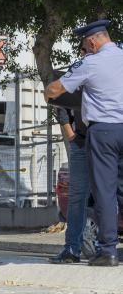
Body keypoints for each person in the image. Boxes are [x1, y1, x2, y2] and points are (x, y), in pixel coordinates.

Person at [45, 19, 123, 267]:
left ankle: (107, 250)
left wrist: (48, 89)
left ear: (92, 41)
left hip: (104, 133)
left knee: (104, 192)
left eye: (85, 45)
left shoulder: (91, 62)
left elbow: (56, 89)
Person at [50, 103, 89, 263]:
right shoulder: (73, 77)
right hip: (81, 141)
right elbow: (61, 103)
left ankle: (106, 249)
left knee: (110, 193)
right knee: (78, 196)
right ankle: (72, 249)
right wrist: (71, 135)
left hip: (108, 140)